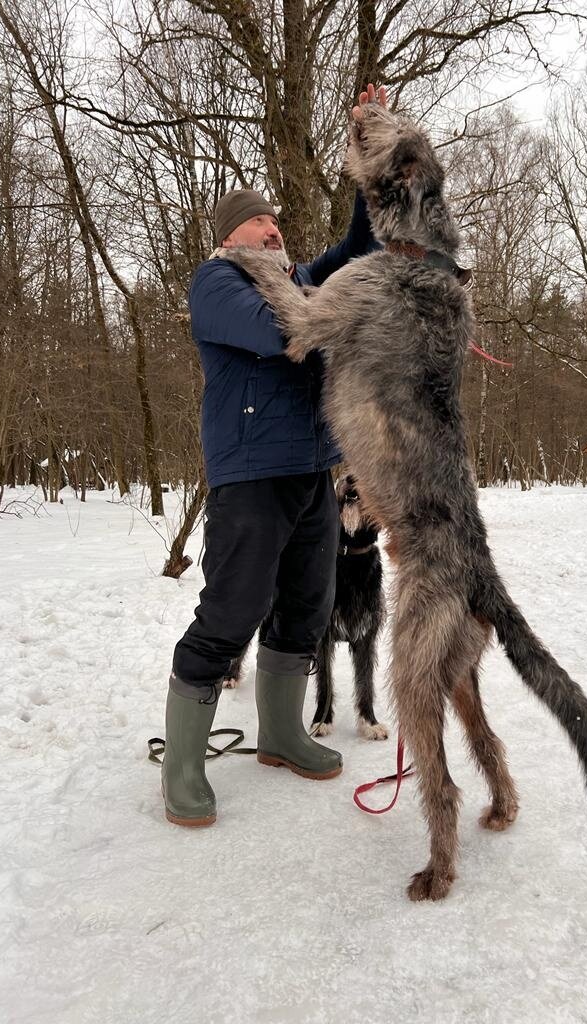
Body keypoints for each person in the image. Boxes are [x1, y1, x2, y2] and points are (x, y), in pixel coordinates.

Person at [161, 85, 387, 828]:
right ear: (233, 233)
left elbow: (359, 248)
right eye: (261, 220)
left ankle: (283, 734)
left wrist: (368, 152)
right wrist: (342, 303)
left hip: (310, 474)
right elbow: (275, 334)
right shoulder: (217, 283)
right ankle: (185, 769)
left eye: (277, 221)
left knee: (307, 607)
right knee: (231, 610)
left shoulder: (298, 284)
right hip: (249, 477)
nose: (274, 227)